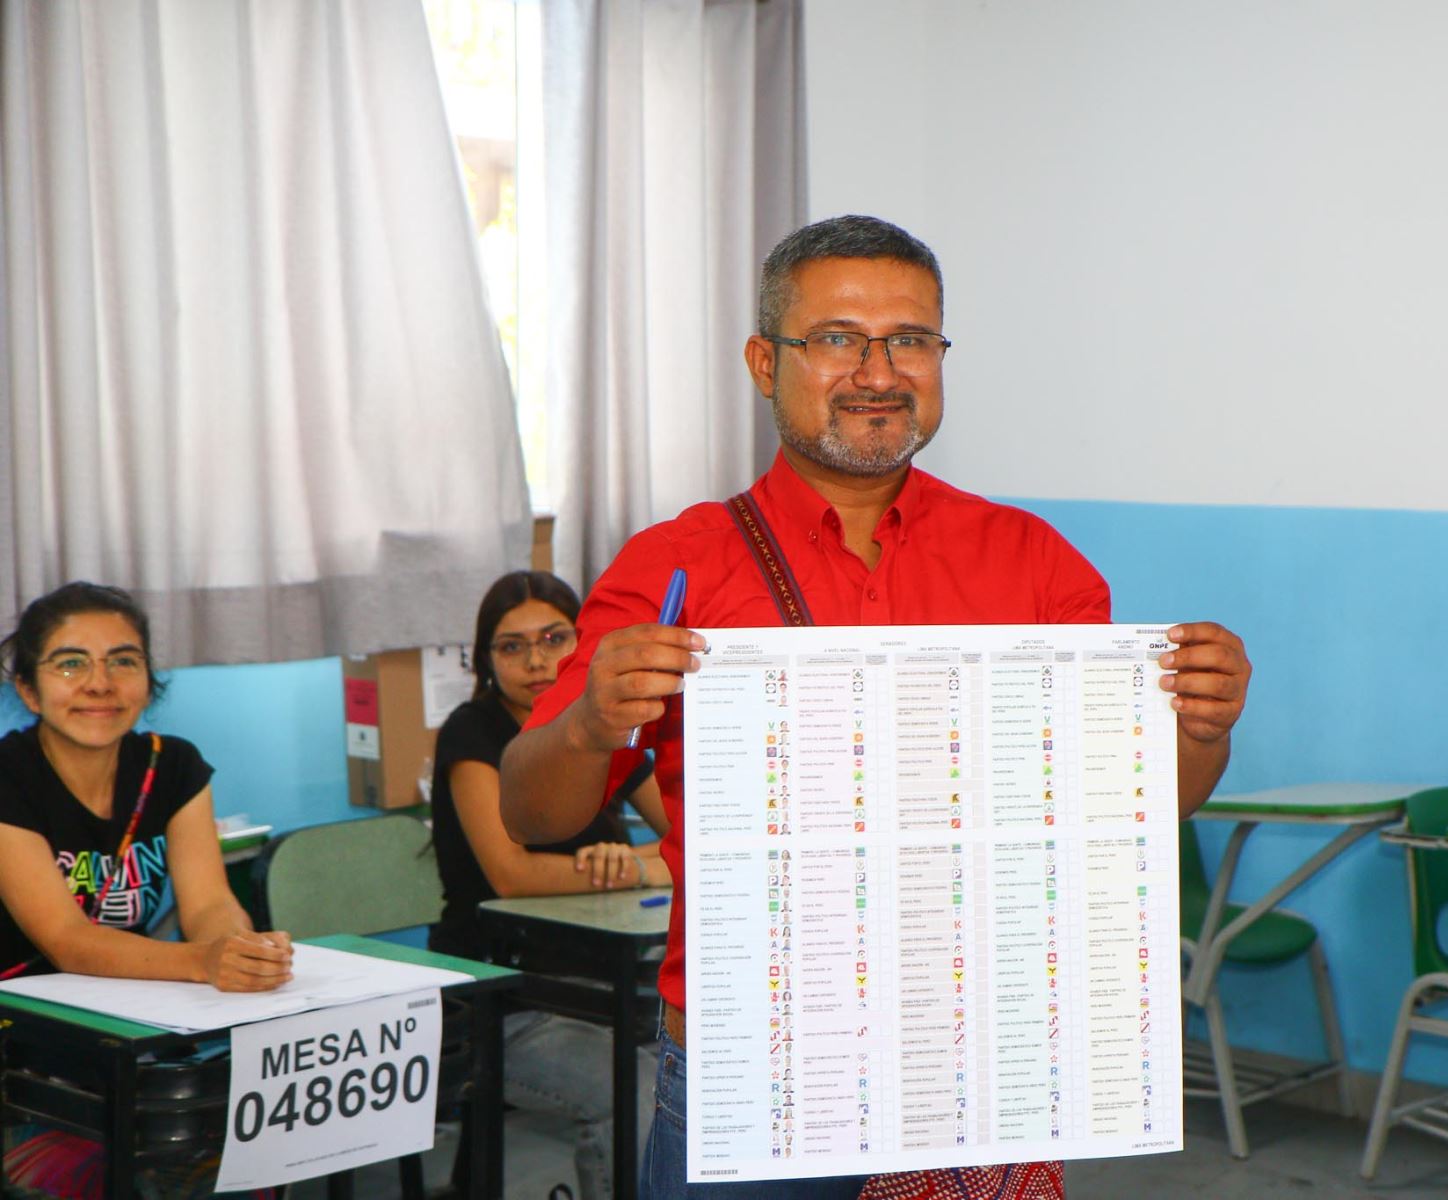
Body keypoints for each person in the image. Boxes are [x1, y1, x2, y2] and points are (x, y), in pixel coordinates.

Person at [498, 215, 1252, 1199]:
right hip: (754, 1077)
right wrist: (592, 724)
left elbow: (1142, 806)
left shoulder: (1032, 561)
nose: (878, 370)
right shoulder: (675, 563)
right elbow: (531, 811)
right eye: (838, 339)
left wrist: (1201, 724)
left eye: (912, 339)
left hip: (980, 1069)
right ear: (765, 362)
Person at [0, 581, 292, 1198]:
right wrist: (201, 961)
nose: (100, 683)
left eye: (123, 661)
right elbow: (69, 941)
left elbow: (209, 903)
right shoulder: (9, 778)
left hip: (126, 1035)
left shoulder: (174, 766)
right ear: (28, 687)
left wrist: (239, 951)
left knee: (242, 1161)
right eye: (71, 663)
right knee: (96, 1177)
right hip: (20, 1050)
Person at [430, 569, 668, 1200]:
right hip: (500, 997)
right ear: (485, 659)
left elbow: (688, 836)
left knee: (703, 1075)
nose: (536, 661)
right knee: (641, 1093)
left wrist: (636, 863)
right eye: (511, 646)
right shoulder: (472, 732)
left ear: (582, 640)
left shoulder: (607, 723)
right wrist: (627, 868)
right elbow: (510, 874)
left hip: (604, 985)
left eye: (555, 638)